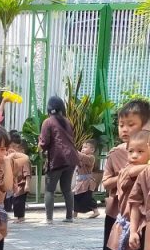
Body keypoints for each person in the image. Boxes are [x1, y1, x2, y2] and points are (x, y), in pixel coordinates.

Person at [91, 99, 150, 250]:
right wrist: (125, 175)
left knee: (135, 249)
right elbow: (106, 182)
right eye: (121, 125)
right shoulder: (115, 153)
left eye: (131, 125)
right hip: (117, 209)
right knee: (111, 245)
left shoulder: (147, 150)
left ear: (145, 125)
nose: (125, 129)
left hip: (140, 211)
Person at [103, 130, 150, 250]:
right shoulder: (126, 171)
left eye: (140, 151)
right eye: (131, 151)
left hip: (143, 227)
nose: (134, 155)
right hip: (124, 225)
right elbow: (132, 172)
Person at [38, 96, 79, 224]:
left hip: (57, 158)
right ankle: (69, 217)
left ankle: (49, 219)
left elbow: (44, 142)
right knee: (67, 189)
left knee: (49, 189)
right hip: (71, 158)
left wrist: (40, 147)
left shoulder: (48, 122)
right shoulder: (67, 121)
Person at [8, 131, 32, 222]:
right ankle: (18, 216)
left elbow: (27, 173)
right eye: (11, 146)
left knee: (19, 202)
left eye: (15, 147)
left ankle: (20, 217)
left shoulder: (24, 160)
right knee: (15, 201)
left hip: (21, 185)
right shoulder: (12, 158)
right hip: (16, 185)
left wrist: (27, 185)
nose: (13, 149)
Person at [73, 139, 99, 217]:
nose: (83, 149)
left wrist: (74, 150)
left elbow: (83, 157)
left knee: (88, 198)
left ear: (92, 150)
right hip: (80, 181)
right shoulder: (82, 157)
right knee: (76, 197)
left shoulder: (91, 158)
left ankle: (96, 211)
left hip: (87, 182)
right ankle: (75, 213)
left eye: (85, 147)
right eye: (82, 147)